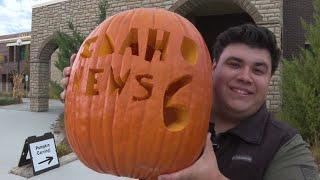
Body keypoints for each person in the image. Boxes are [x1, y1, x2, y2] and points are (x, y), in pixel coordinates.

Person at [60, 24, 319, 180]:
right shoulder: (163, 116)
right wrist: (85, 95)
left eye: (259, 70)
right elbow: (114, 120)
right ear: (211, 67)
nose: (245, 77)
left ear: (269, 78)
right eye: (234, 64)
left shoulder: (285, 146)